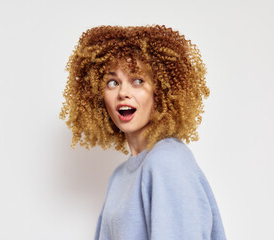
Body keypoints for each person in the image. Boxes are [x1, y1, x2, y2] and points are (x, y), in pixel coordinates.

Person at [60, 25, 227, 240]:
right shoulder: (119, 177)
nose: (123, 93)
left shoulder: (168, 161)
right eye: (113, 82)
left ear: (162, 91)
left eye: (138, 80)